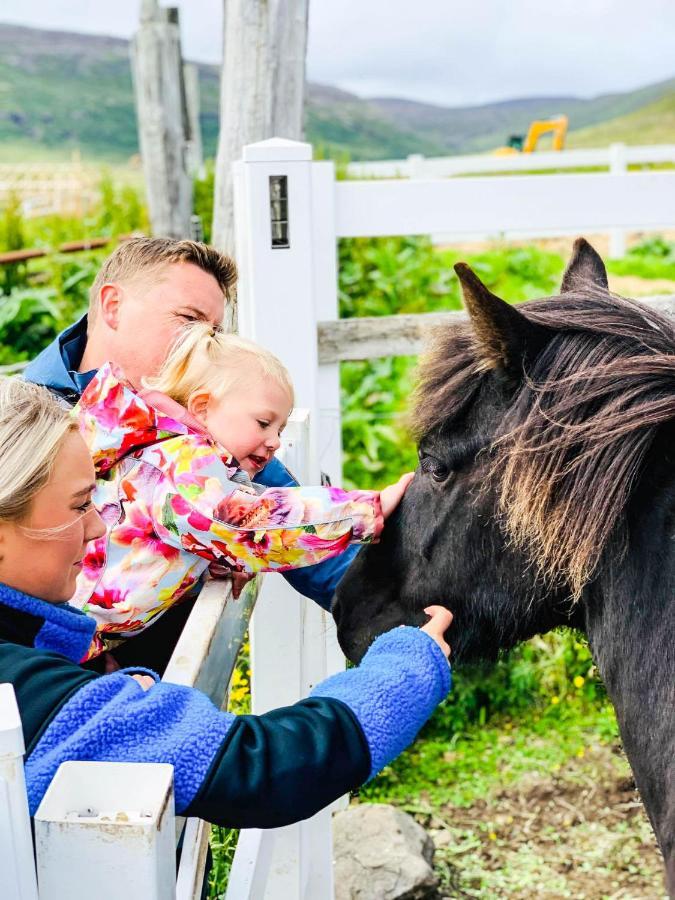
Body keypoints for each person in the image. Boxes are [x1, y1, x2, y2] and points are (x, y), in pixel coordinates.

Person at [0, 377, 453, 826]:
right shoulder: (31, 696)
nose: (100, 527)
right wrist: (409, 664)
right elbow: (260, 769)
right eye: (80, 505)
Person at [23, 237, 361, 668]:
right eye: (188, 320)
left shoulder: (208, 439)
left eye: (213, 332)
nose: (200, 343)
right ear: (112, 307)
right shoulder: (21, 420)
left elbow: (321, 558)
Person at [71, 324, 412, 661]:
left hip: (84, 639)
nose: (276, 441)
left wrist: (213, 559)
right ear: (202, 407)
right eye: (264, 423)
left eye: (279, 428)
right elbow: (241, 523)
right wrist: (365, 510)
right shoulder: (181, 460)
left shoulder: (181, 461)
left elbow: (179, 537)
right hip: (68, 639)